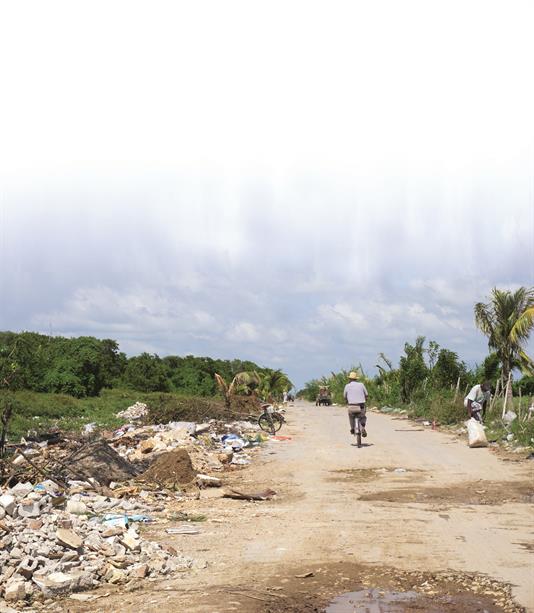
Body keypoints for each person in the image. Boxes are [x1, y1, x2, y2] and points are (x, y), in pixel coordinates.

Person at [344, 371, 368, 437]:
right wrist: (365, 399)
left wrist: (346, 401)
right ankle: (362, 428)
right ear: (356, 379)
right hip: (361, 406)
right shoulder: (361, 384)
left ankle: (352, 428)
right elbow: (366, 394)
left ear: (349, 379)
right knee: (363, 416)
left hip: (351, 406)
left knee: (351, 416)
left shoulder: (347, 386)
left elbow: (345, 396)